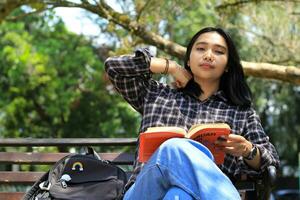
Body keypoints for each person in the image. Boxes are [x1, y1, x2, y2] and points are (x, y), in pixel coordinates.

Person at [105, 27, 280, 200]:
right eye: (201, 48)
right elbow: (114, 67)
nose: (209, 55)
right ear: (188, 60)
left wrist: (247, 150)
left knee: (179, 195)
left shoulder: (241, 113)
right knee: (173, 148)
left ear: (227, 66)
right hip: (144, 193)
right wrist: (171, 67)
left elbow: (270, 161)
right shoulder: (156, 95)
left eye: (218, 51)